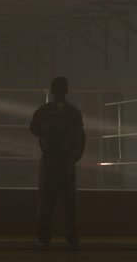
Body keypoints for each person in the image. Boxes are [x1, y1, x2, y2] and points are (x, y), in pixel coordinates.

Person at [30, 77, 86, 247]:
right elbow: (80, 136)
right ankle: (72, 236)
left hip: (49, 160)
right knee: (70, 202)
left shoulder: (44, 111)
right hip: (67, 161)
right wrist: (75, 157)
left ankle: (44, 237)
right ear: (66, 90)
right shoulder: (74, 112)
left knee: (46, 201)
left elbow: (34, 130)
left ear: (52, 91)